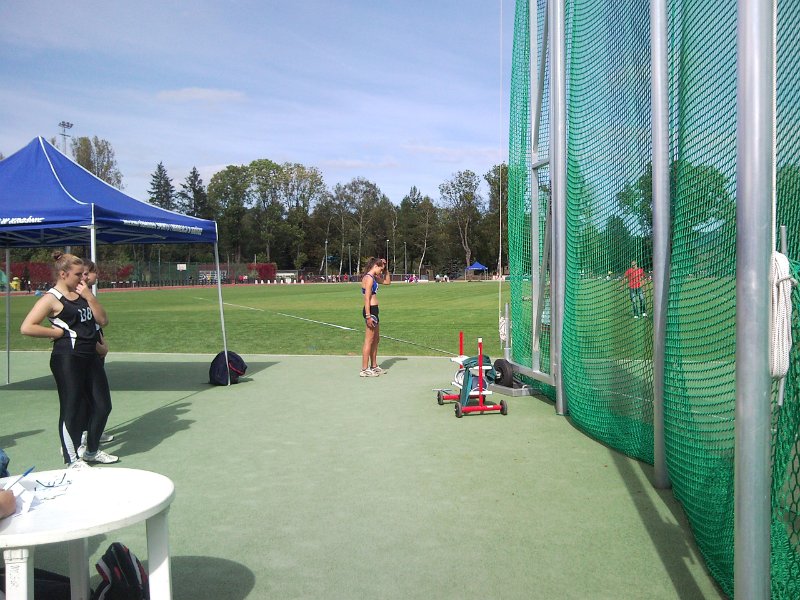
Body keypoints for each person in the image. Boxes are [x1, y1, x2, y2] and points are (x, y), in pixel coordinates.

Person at [20, 251, 118, 466]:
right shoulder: (51, 298)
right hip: (68, 358)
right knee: (72, 409)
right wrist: (55, 333)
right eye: (78, 274)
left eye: (84, 274)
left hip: (90, 356)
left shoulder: (82, 294)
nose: (83, 278)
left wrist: (90, 297)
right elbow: (27, 327)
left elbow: (102, 320)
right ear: (63, 274)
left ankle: (92, 451)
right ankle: (72, 460)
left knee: (103, 406)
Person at [81, 260, 115, 451]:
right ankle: (83, 436)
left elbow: (99, 322)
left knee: (97, 400)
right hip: (85, 352)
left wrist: (102, 343)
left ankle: (93, 430)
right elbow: (79, 329)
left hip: (95, 349)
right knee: (88, 398)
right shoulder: (78, 297)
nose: (95, 276)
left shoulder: (88, 295)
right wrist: (98, 347)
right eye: (90, 273)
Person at [360, 257, 391, 377]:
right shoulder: (368, 278)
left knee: (376, 339)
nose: (381, 272)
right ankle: (364, 369)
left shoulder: (373, 277)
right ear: (375, 266)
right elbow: (367, 298)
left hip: (375, 310)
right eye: (380, 269)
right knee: (369, 340)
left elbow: (387, 282)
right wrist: (368, 316)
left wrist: (386, 269)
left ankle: (374, 366)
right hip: (370, 311)